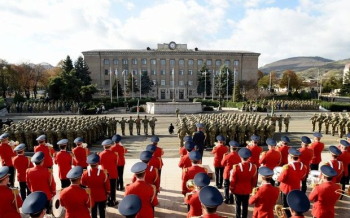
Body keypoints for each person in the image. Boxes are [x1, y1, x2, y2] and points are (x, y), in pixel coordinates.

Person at [278, 148, 307, 218]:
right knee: (293, 205)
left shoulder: (287, 167)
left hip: (286, 189)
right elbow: (303, 178)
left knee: (285, 206)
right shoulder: (303, 166)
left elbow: (280, 179)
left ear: (290, 157)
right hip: (296, 188)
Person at [230, 148, 257, 218]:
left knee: (238, 205)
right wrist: (252, 188)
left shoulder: (236, 167)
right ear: (248, 157)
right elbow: (254, 180)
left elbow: (233, 180)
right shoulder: (253, 167)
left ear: (240, 157)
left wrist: (231, 189)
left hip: (237, 189)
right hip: (247, 189)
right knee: (245, 206)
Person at [81, 153, 110, 218]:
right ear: (97, 163)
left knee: (93, 212)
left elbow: (83, 184)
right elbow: (107, 185)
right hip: (102, 196)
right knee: (102, 212)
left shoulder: (85, 173)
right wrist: (108, 192)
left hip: (91, 196)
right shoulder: (103, 173)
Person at [98, 139, 119, 206]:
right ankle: (112, 201)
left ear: (104, 147)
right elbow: (116, 163)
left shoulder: (101, 154)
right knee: (113, 188)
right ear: (110, 146)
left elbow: (99, 163)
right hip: (113, 173)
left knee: (105, 188)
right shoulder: (114, 154)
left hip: (104, 173)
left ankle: (106, 200)